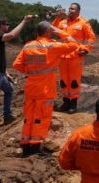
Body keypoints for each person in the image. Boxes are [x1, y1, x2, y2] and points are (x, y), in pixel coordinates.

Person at [12, 21, 82, 157]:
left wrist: (31, 71)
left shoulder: (28, 46)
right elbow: (74, 44)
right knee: (41, 118)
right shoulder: (52, 46)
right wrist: (59, 31)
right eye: (51, 31)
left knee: (29, 117)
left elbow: (17, 64)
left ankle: (26, 146)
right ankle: (35, 147)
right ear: (48, 31)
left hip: (31, 87)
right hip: (45, 89)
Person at [0, 14, 35, 136]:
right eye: (6, 24)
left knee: (9, 90)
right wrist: (24, 21)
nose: (8, 26)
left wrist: (6, 72)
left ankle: (7, 115)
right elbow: (12, 35)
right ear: (1, 26)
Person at [52, 2, 96, 113]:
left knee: (74, 82)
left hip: (76, 57)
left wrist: (86, 49)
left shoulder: (83, 23)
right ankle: (66, 103)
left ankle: (73, 105)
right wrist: (58, 17)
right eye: (69, 8)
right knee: (63, 81)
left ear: (78, 11)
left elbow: (91, 37)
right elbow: (51, 29)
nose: (70, 10)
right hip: (62, 57)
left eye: (72, 9)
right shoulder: (62, 22)